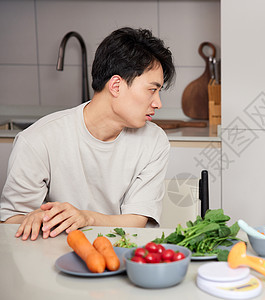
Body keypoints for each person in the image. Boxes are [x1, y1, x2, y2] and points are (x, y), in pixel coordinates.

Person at [0, 27, 175, 241]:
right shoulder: (38, 140)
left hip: (122, 250)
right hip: (51, 254)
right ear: (116, 85)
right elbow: (11, 221)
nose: (158, 103)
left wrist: (87, 218)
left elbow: (137, 221)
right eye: (152, 89)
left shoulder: (154, 142)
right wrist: (34, 218)